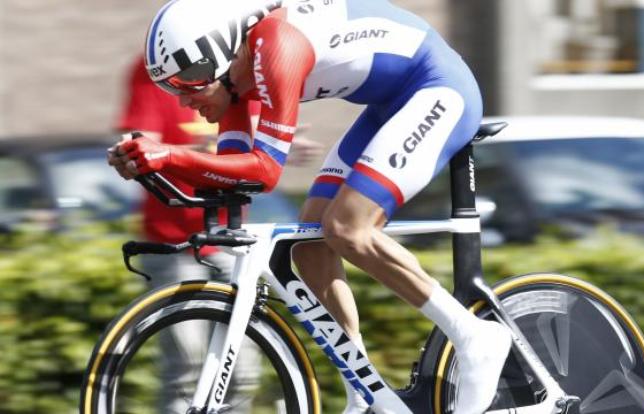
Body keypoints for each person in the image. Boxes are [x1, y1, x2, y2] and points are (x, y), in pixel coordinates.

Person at [108, 0, 512, 413]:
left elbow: (265, 172)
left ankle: (473, 337)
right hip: (389, 106)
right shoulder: (237, 80)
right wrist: (148, 164)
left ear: (224, 52)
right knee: (309, 245)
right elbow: (235, 173)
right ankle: (366, 393)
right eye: (173, 88)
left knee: (348, 228)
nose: (183, 101)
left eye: (190, 81)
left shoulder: (277, 46)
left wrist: (169, 156)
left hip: (437, 89)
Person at [116, 55, 322, 413]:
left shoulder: (242, 70)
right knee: (187, 368)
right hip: (175, 243)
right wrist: (140, 153)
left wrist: (284, 146)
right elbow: (146, 142)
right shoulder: (153, 71)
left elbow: (261, 145)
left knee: (241, 373)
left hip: (231, 239)